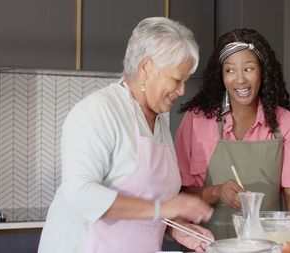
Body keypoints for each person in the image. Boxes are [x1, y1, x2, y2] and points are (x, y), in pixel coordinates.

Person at [38, 17, 214, 253]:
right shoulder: (98, 110)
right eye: (176, 80)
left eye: (184, 81)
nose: (181, 90)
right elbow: (79, 193)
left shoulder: (159, 122)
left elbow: (149, 202)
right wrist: (165, 209)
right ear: (146, 68)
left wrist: (176, 227)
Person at [175, 28, 290, 240]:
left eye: (249, 69)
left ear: (263, 71)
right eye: (230, 71)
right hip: (206, 246)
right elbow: (178, 194)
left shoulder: (285, 123)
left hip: (266, 246)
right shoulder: (196, 121)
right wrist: (216, 192)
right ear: (220, 75)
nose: (240, 80)